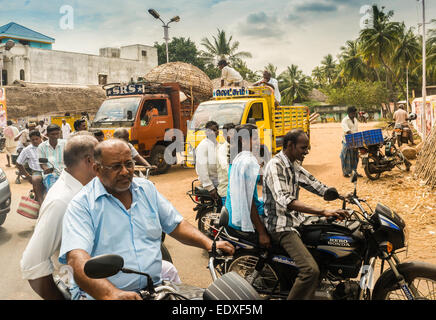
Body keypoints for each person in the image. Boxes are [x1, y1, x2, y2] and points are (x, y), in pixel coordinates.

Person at [58, 139, 235, 300]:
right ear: (97, 169)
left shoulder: (146, 189)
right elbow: (77, 259)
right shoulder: (82, 205)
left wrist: (209, 244)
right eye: (116, 166)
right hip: (106, 295)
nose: (125, 172)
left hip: (155, 289)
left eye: (129, 164)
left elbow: (175, 224)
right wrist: (111, 293)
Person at [263, 129, 349, 300]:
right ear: (290, 145)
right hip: (282, 225)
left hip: (296, 220)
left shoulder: (293, 163)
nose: (307, 151)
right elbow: (286, 200)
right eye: (303, 148)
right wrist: (323, 210)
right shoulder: (275, 166)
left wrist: (340, 195)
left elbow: (313, 183)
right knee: (310, 270)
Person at [20, 135, 99, 300]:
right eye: (101, 156)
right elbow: (32, 262)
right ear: (89, 161)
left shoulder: (85, 187)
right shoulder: (62, 201)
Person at [225, 124, 270, 248]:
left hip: (232, 210)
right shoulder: (248, 161)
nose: (258, 142)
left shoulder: (238, 157)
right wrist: (262, 232)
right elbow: (248, 201)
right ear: (243, 140)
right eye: (255, 139)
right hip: (244, 214)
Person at [195, 121, 220, 208]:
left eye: (215, 130)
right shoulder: (203, 146)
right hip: (212, 182)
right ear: (206, 132)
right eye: (210, 130)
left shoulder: (217, 145)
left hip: (219, 179)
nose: (213, 132)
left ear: (218, 131)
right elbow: (202, 168)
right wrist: (210, 187)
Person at [15, 130, 45, 204]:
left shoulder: (47, 146)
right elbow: (18, 164)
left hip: (49, 171)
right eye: (32, 140)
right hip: (36, 172)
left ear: (40, 138)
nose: (35, 141)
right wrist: (28, 176)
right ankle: (39, 206)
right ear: (30, 140)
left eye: (36, 139)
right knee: (39, 194)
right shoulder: (27, 150)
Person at [38, 124, 67, 191]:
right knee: (53, 191)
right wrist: (46, 169)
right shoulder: (41, 146)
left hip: (65, 173)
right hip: (51, 175)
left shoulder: (65, 143)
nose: (55, 136)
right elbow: (42, 163)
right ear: (47, 135)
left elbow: (71, 159)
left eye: (57, 134)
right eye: (52, 134)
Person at [217, 123, 236, 206]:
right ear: (224, 135)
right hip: (226, 191)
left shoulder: (237, 147)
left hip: (236, 190)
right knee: (229, 217)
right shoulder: (222, 150)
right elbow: (226, 168)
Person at [340, 106, 360, 178]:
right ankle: (345, 172)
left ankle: (354, 171)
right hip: (347, 141)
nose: (354, 114)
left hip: (355, 141)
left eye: (354, 113)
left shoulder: (355, 119)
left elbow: (356, 130)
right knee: (346, 157)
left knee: (355, 157)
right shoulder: (345, 120)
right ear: (349, 113)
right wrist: (354, 136)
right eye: (352, 113)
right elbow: (348, 131)